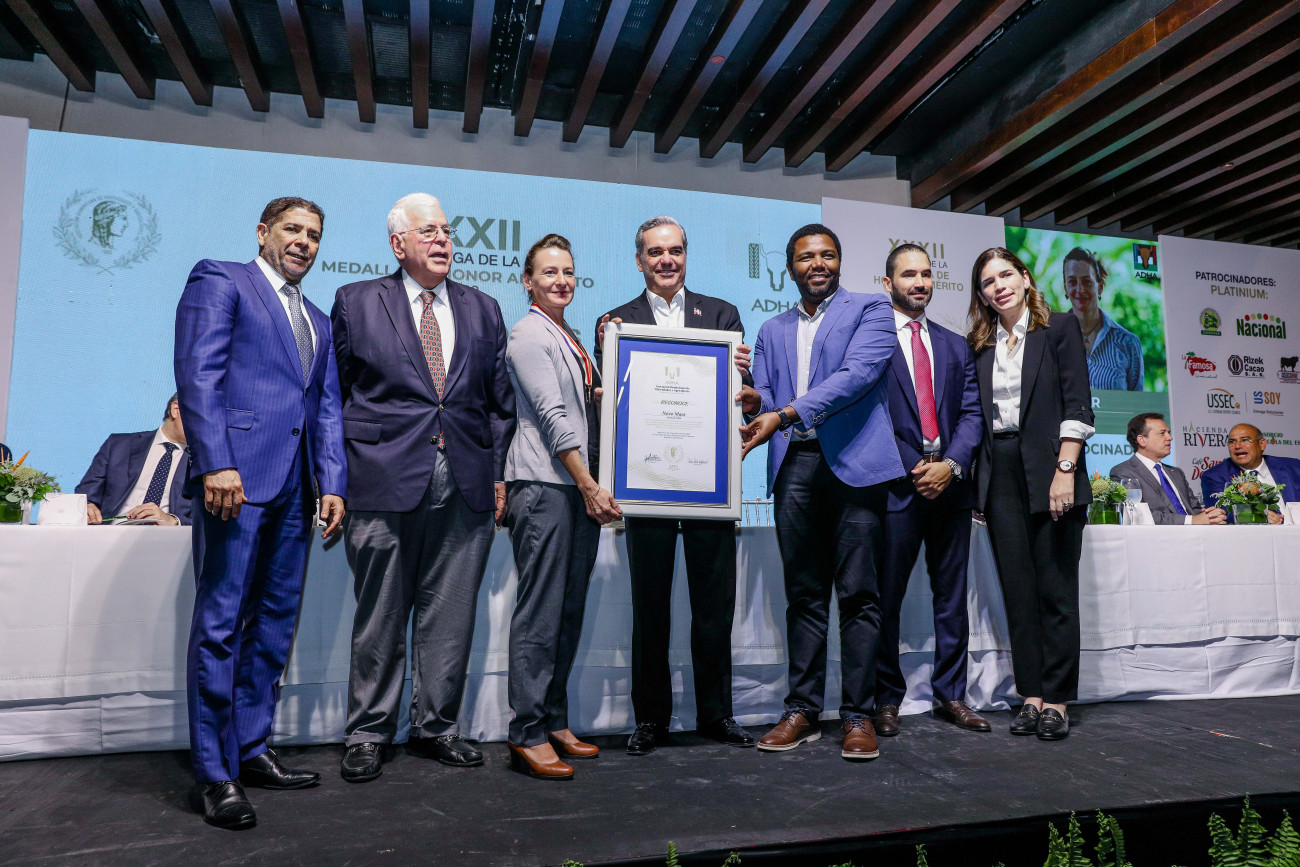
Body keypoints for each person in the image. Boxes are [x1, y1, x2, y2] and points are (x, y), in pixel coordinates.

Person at [175, 197, 347, 829]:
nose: (303, 242)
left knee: (274, 624)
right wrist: (216, 462)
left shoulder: (319, 320)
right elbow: (198, 375)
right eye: (292, 230)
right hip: (236, 483)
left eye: (314, 235)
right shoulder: (221, 279)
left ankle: (250, 748)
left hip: (297, 493)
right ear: (262, 233)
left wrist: (333, 482)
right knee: (221, 626)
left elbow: (325, 408)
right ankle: (214, 772)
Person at [331, 193, 515, 785]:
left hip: (466, 483)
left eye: (447, 231)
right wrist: (333, 477)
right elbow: (334, 397)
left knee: (450, 615)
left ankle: (437, 727)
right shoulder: (356, 301)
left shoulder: (483, 308)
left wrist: (496, 474)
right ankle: (367, 733)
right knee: (381, 614)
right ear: (398, 244)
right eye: (428, 231)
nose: (442, 240)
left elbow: (500, 405)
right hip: (380, 478)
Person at [738, 224, 903, 762]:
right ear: (790, 268)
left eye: (827, 255)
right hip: (795, 467)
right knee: (804, 596)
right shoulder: (772, 328)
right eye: (807, 257)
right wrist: (750, 399)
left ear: (839, 262)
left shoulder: (871, 309)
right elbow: (766, 397)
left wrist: (785, 412)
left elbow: (858, 375)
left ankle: (858, 716)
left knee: (859, 596)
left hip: (856, 465)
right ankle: (802, 711)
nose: (818, 264)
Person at [593, 215, 755, 755]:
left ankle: (717, 714)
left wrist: (747, 385)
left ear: (686, 255)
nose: (667, 260)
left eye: (676, 251)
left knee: (714, 609)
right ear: (639, 260)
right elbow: (610, 404)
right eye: (656, 252)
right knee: (650, 611)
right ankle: (651, 720)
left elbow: (744, 394)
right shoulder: (615, 322)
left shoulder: (722, 315)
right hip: (646, 487)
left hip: (709, 487)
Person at [502, 234, 621, 780]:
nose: (561, 280)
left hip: (573, 488)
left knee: (567, 609)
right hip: (545, 486)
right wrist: (590, 484)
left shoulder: (567, 334)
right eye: (549, 272)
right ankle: (526, 732)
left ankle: (553, 719)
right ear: (528, 281)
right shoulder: (529, 333)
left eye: (568, 271)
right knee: (541, 612)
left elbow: (582, 404)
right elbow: (552, 418)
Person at [968, 246, 1093, 742]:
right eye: (988, 282)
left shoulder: (1058, 328)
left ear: (1024, 278)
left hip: (1052, 465)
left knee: (1055, 591)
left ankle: (1057, 701)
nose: (999, 286)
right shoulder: (980, 344)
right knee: (1018, 593)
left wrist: (1065, 470)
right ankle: (1032, 696)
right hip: (1000, 472)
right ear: (981, 296)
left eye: (1006, 275)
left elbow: (1078, 404)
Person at [874, 244, 988, 737]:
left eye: (925, 274)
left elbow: (972, 414)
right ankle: (885, 699)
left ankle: (951, 695)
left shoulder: (955, 345)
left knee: (951, 598)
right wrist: (915, 466)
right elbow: (870, 413)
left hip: (951, 490)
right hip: (896, 488)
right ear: (888, 284)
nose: (919, 282)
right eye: (908, 275)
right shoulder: (871, 340)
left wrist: (951, 465)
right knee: (886, 599)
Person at [74, 394, 192, 526]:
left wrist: (174, 521)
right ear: (176, 410)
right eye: (201, 419)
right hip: (111, 533)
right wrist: (87, 507)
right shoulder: (118, 445)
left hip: (168, 536)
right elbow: (84, 496)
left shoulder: (203, 464)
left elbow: (205, 520)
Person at [1109, 413, 1226, 525]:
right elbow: (1139, 516)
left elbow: (1194, 509)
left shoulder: (1176, 473)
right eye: (1162, 433)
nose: (1170, 438)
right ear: (1142, 440)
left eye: (1168, 433)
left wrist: (1210, 516)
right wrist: (1192, 520)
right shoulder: (1123, 473)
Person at [1063, 247, 1143, 392]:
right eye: (1072, 282)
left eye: (1087, 281)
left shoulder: (1128, 343)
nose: (1080, 289)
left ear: (1100, 287)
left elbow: (1137, 402)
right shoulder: (1051, 340)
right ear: (1065, 288)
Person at [1200, 423, 1300, 524]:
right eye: (1232, 442)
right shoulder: (1215, 476)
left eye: (1245, 440)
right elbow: (1220, 514)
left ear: (1262, 444)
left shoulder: (1294, 467)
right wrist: (1257, 515)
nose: (1237, 446)